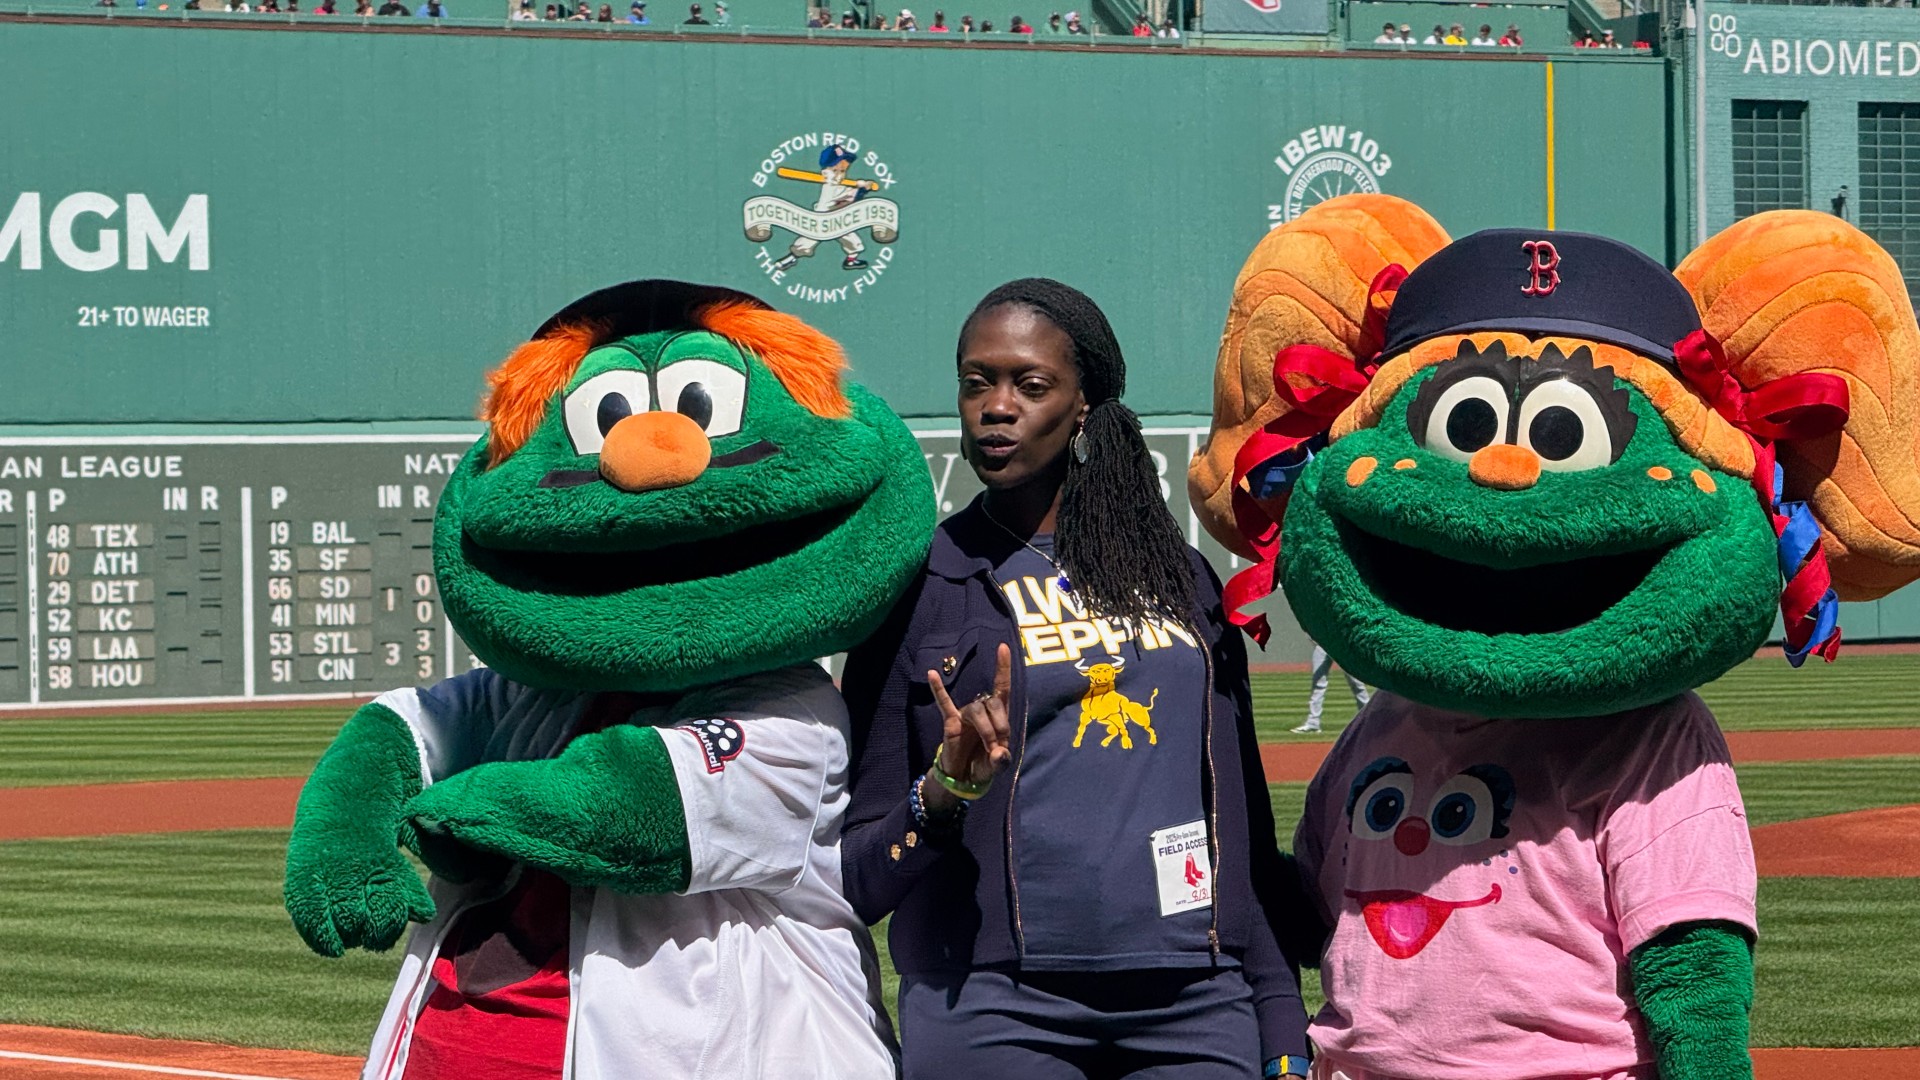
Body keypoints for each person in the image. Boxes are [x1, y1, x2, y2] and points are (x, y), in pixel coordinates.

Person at [842, 279, 1314, 1080]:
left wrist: (1278, 1014)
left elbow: (1241, 817)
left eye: (1029, 385)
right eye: (976, 381)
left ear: (1085, 403)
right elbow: (854, 874)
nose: (996, 406)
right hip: (991, 1006)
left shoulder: (1181, 579)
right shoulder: (920, 588)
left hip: (1197, 999)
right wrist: (944, 794)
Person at [1291, 642, 1368, 734]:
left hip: (1342, 645)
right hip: (1322, 645)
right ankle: (1313, 723)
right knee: (1318, 684)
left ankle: (1369, 718)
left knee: (1356, 684)